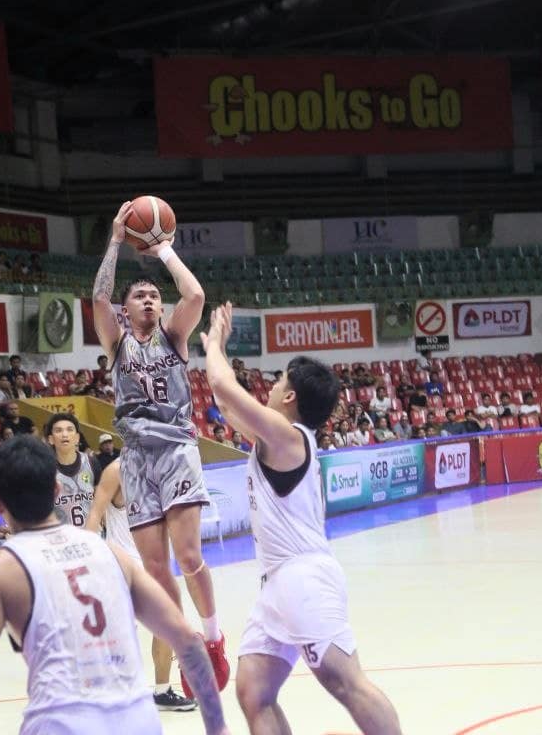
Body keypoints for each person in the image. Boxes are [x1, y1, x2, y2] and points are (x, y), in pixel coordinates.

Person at [0, 436, 229, 735]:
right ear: (56, 489)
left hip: (63, 722)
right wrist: (218, 726)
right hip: (138, 721)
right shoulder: (111, 553)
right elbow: (187, 641)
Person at [203, 302, 401, 735]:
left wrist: (215, 339)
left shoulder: (287, 435)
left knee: (346, 682)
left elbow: (221, 380)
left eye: (277, 382)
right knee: (253, 690)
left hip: (303, 576)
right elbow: (223, 398)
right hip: (276, 581)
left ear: (290, 397)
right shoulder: (275, 435)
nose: (271, 388)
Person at [92, 201, 229, 693]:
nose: (149, 300)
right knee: (154, 567)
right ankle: (186, 642)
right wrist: (115, 240)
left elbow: (195, 294)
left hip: (175, 450)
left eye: (154, 296)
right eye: (139, 296)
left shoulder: (174, 337)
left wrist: (164, 250)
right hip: (135, 457)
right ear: (125, 311)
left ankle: (213, 638)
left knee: (189, 555)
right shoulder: (116, 342)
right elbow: (98, 298)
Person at [86, 458, 197, 712]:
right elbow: (95, 513)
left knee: (167, 628)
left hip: (156, 567)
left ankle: (161, 690)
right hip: (122, 565)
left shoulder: (165, 466)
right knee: (117, 634)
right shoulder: (115, 471)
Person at [47, 413, 101, 527]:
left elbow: (100, 500)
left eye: (69, 429)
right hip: (61, 538)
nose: (64, 434)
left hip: (92, 535)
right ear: (51, 439)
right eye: (58, 430)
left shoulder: (91, 462)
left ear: (77, 438)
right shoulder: (44, 468)